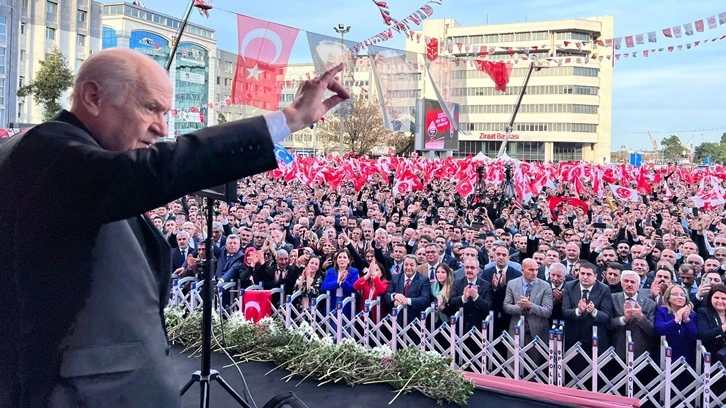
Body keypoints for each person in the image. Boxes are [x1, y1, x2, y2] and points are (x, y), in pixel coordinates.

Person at [0, 48, 349, 407]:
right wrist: (289, 119)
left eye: (165, 113)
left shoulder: (67, 160)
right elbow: (157, 168)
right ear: (93, 97)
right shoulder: (48, 153)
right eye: (150, 108)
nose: (162, 128)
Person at [654, 285, 697, 367]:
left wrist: (686, 319)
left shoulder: (692, 315)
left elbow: (694, 335)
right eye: (675, 294)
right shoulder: (662, 311)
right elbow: (659, 329)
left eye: (682, 295)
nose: (680, 297)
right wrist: (676, 321)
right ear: (668, 298)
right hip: (665, 358)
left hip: (687, 359)